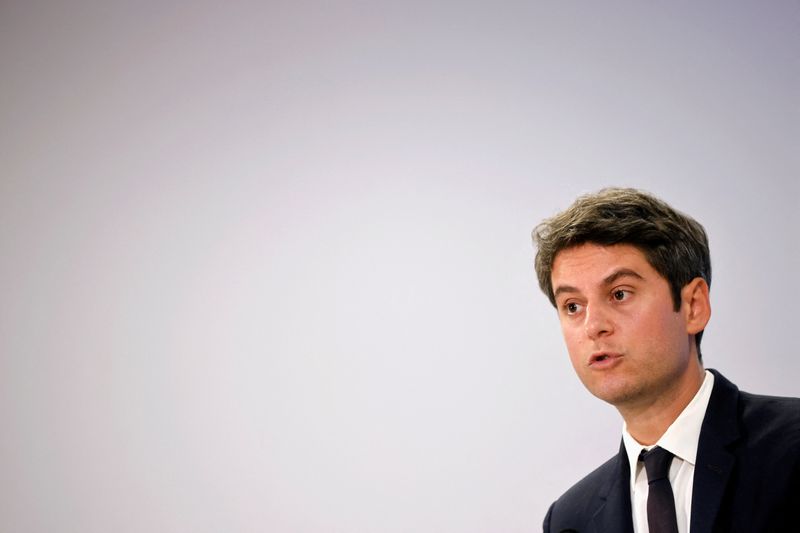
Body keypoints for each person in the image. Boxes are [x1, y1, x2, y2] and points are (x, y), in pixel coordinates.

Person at [532, 188, 800, 533]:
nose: (593, 326)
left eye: (619, 294)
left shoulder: (791, 449)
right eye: (572, 306)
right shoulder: (570, 520)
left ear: (693, 306)